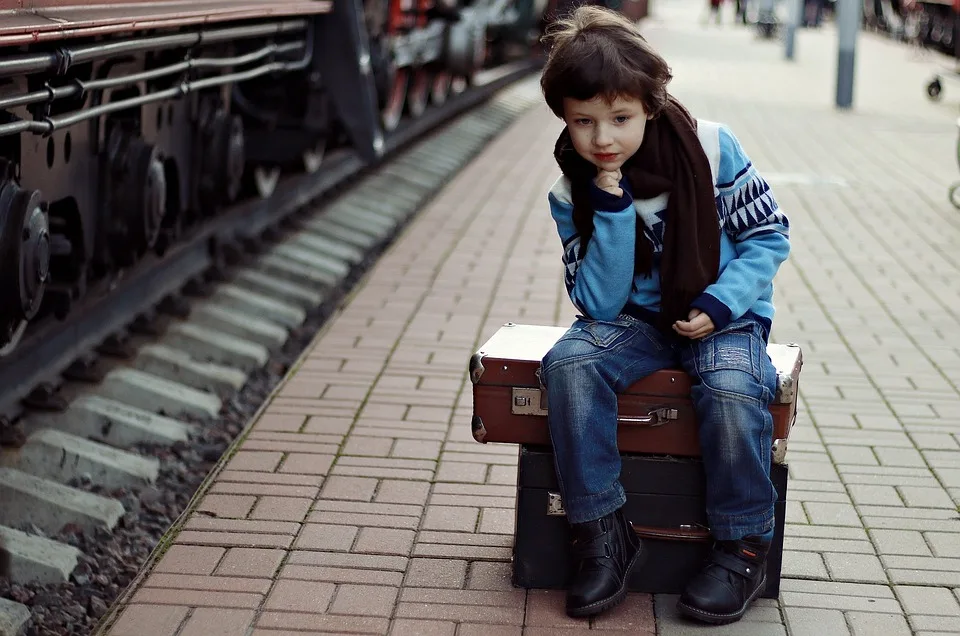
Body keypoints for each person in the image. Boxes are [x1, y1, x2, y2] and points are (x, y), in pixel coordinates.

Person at [537, 5, 791, 626]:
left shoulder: (710, 147)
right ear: (564, 119)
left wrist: (720, 301)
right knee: (569, 363)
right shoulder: (573, 190)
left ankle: (742, 544)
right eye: (583, 122)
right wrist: (614, 208)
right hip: (636, 324)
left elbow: (768, 236)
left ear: (650, 105)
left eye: (620, 118)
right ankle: (602, 533)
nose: (602, 139)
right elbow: (596, 303)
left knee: (732, 386)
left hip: (722, 317)